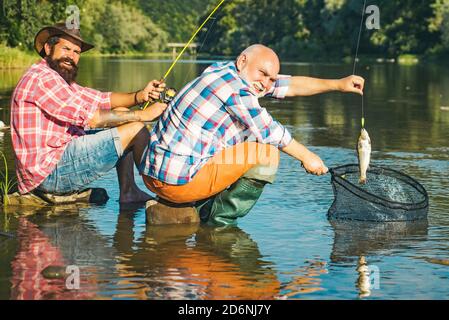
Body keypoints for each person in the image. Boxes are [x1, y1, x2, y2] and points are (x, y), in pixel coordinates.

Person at [140, 44, 365, 225]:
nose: (266, 83)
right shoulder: (236, 91)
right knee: (266, 152)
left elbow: (291, 85)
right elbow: (270, 131)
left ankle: (181, 205)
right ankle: (216, 221)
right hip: (174, 183)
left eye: (271, 78)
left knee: (243, 138)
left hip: (153, 173)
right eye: (263, 74)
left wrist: (338, 84)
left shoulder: (221, 70)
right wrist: (308, 157)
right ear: (242, 61)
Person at [10, 23, 167, 203]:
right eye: (66, 48)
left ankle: (129, 191)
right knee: (136, 130)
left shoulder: (57, 78)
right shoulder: (43, 78)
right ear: (48, 48)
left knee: (122, 114)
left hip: (54, 163)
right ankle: (166, 196)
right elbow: (93, 118)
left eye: (76, 52)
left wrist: (140, 96)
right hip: (47, 174)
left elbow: (100, 99)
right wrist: (142, 115)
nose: (71, 56)